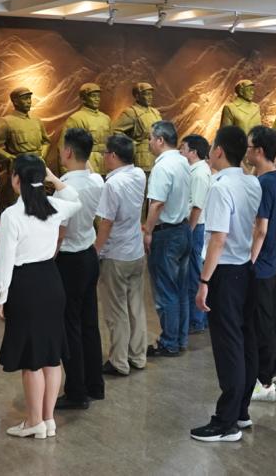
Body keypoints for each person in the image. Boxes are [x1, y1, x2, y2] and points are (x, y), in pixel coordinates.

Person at [0, 155, 82, 440]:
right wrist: (54, 179)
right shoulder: (54, 206)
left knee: (32, 359)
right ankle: (48, 420)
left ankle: (33, 422)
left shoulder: (12, 215)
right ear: (41, 179)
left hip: (25, 286)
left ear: (16, 180)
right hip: (51, 281)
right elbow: (75, 198)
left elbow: (4, 261)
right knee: (51, 357)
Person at [189, 126, 262, 443]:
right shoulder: (251, 182)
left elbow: (218, 238)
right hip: (244, 268)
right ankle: (241, 411)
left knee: (228, 345)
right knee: (244, 341)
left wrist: (204, 280)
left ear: (218, 150)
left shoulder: (220, 187)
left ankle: (225, 422)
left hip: (225, 271)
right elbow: (257, 227)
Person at [54, 128, 106, 410]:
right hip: (88, 254)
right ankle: (94, 384)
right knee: (89, 324)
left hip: (70, 259)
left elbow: (60, 234)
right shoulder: (96, 180)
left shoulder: (65, 189)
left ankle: (76, 391)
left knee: (70, 326)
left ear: (68, 152)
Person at [95, 133, 148, 377]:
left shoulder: (112, 184)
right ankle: (137, 356)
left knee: (116, 311)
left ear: (113, 155)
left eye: (105, 153)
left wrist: (96, 250)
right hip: (135, 251)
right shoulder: (139, 175)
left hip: (116, 254)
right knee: (135, 306)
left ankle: (118, 362)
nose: (104, 157)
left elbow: (106, 222)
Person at [143, 121, 193, 357]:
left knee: (166, 292)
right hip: (182, 229)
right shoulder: (183, 161)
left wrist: (148, 231)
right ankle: (180, 339)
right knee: (180, 289)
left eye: (150, 138)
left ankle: (169, 342)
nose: (149, 143)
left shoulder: (162, 167)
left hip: (167, 233)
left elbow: (157, 204)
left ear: (160, 140)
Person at [246, 126, 276, 402]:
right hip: (269, 260)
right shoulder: (275, 178)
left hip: (260, 263)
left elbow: (260, 228)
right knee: (270, 318)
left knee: (261, 322)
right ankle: (275, 371)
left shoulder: (264, 184)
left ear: (259, 151)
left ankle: (263, 380)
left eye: (249, 147)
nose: (246, 151)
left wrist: (249, 260)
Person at [181, 134, 213, 335]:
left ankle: (197, 319)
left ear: (193, 152)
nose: (180, 152)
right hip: (195, 227)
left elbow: (197, 207)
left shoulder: (199, 173)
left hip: (196, 227)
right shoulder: (195, 171)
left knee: (194, 274)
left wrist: (188, 231)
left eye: (183, 148)